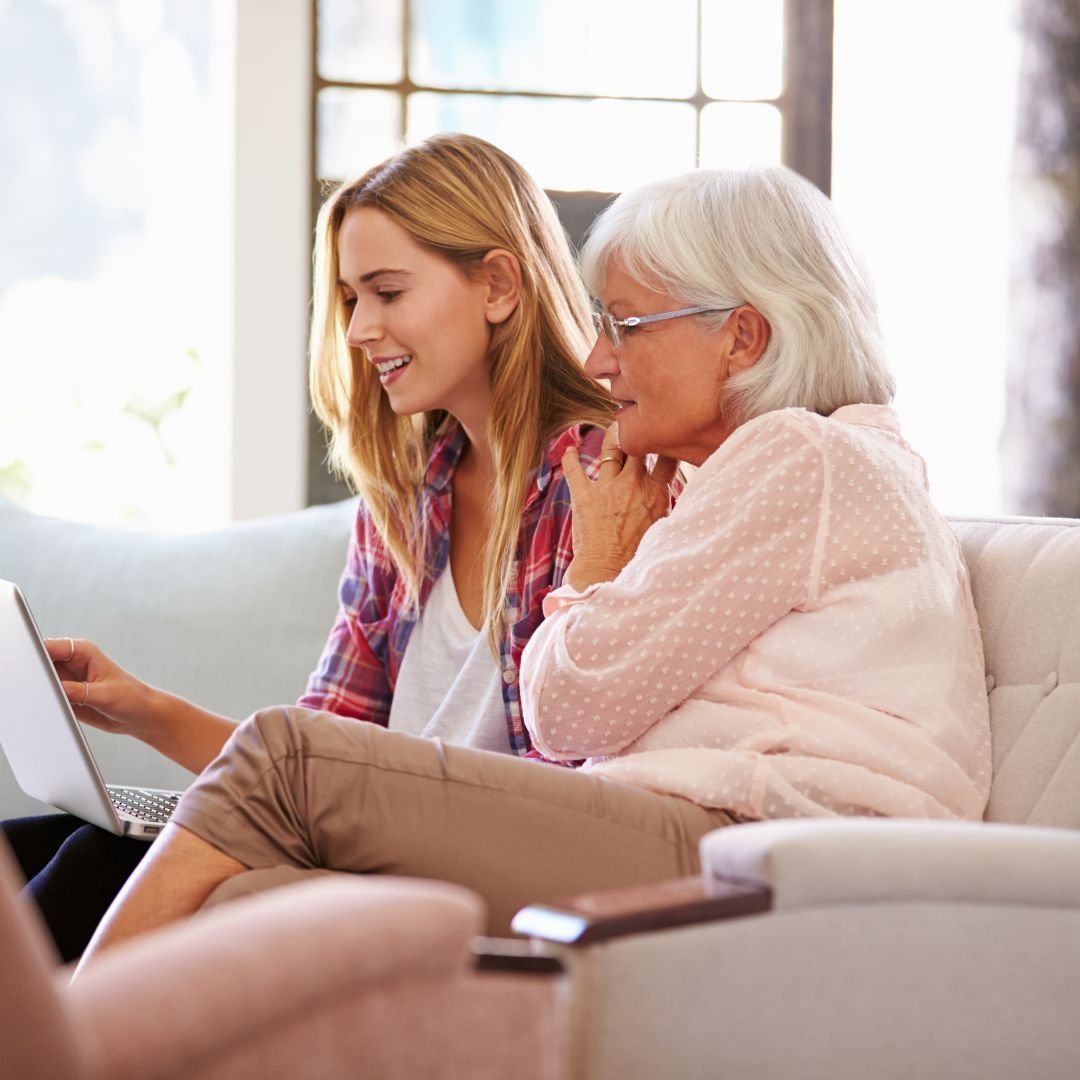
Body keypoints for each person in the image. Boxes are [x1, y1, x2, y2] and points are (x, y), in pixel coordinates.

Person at [72, 163, 991, 970]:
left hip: (767, 859)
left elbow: (568, 711)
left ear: (743, 338)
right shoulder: (743, 477)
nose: (600, 356)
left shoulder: (800, 458)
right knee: (226, 891)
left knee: (280, 756)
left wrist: (596, 562)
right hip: (725, 846)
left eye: (626, 326)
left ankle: (56, 1047)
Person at [2, 132, 613, 961]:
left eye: (387, 292)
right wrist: (145, 711)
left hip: (487, 863)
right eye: (351, 298)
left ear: (499, 284)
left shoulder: (602, 483)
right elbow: (311, 761)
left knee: (91, 866)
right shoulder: (403, 508)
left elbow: (582, 786)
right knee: (33, 845)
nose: (360, 329)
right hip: (373, 838)